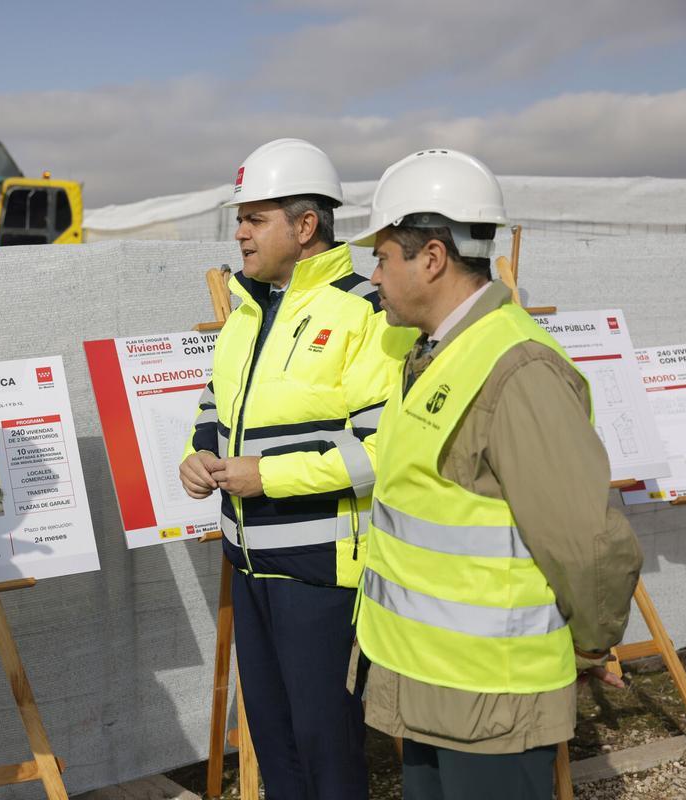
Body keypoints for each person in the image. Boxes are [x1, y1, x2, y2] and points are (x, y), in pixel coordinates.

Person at [350, 148, 643, 799]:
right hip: (431, 686)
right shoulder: (433, 352)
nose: (373, 276)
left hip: (493, 702)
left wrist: (591, 647)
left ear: (431, 258)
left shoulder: (518, 370)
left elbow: (587, 542)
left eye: (382, 257)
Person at [179, 138, 410, 798]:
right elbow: (213, 405)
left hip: (321, 573)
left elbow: (381, 452)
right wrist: (195, 456)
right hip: (249, 566)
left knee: (325, 749)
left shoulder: (367, 310)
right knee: (275, 746)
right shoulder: (247, 309)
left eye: (255, 218)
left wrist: (267, 478)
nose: (240, 232)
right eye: (240, 218)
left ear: (305, 225)